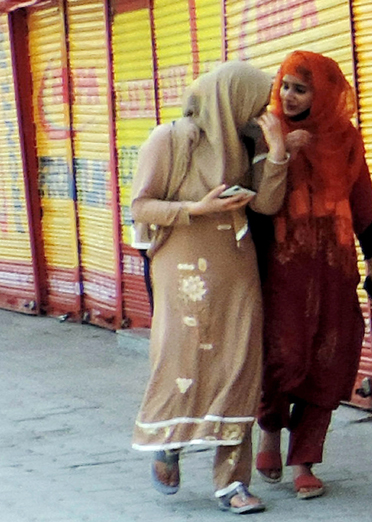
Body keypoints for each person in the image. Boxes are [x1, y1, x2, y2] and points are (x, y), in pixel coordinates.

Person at [130, 61, 290, 515]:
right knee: (181, 358)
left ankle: (232, 483)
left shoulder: (249, 140)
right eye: (253, 102)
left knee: (240, 363)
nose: (260, 112)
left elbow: (268, 205)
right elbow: (141, 206)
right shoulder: (169, 139)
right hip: (181, 265)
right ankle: (169, 442)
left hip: (237, 266)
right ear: (228, 99)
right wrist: (196, 208)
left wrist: (278, 152)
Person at [253, 51, 372, 500]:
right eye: (285, 86)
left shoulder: (345, 137)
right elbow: (251, 195)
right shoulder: (266, 129)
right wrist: (279, 151)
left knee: (328, 358)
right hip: (281, 266)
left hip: (334, 266)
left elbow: (363, 203)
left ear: (324, 94)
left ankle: (305, 461)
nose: (289, 96)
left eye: (301, 89)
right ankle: (269, 431)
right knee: (282, 353)